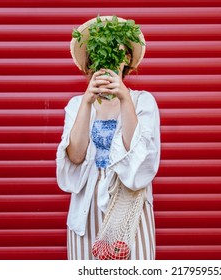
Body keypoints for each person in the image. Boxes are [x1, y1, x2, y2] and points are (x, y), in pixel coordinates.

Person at [55, 15, 161, 260]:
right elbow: (75, 156)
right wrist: (86, 102)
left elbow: (140, 158)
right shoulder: (76, 105)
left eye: (118, 52)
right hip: (87, 206)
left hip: (128, 207)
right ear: (92, 61)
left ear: (126, 60)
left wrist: (124, 98)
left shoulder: (142, 101)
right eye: (102, 53)